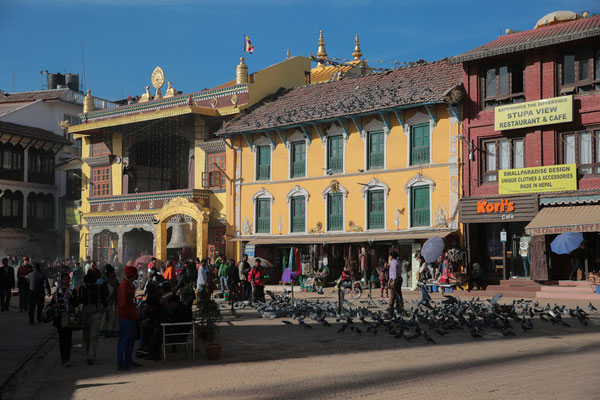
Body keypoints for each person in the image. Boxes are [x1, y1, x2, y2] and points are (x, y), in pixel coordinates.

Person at [80, 272, 108, 364]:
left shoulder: (99, 289)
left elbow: (104, 301)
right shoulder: (82, 289)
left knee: (93, 336)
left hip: (96, 315)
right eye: (87, 283)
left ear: (94, 282)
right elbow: (78, 301)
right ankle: (89, 353)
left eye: (91, 283)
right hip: (85, 315)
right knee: (86, 337)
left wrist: (107, 312)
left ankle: (91, 356)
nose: (89, 285)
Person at [51, 273, 79, 366]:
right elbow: (52, 302)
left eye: (67, 279)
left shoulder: (72, 290)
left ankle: (67, 359)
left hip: (69, 316)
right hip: (59, 316)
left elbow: (76, 304)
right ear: (61, 280)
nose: (66, 281)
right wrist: (55, 305)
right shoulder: (57, 290)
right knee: (61, 339)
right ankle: (63, 358)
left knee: (68, 338)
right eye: (64, 279)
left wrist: (71, 299)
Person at [117, 265, 141, 371]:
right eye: (136, 273)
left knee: (130, 340)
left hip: (130, 316)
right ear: (133, 274)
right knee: (124, 340)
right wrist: (132, 307)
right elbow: (122, 304)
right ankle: (121, 363)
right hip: (126, 317)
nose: (138, 275)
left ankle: (128, 360)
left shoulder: (129, 285)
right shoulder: (124, 286)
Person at [100, 264, 119, 337]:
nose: (114, 273)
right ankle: (103, 332)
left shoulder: (115, 280)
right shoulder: (103, 281)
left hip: (114, 303)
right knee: (105, 318)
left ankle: (111, 332)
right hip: (107, 303)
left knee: (113, 318)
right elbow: (101, 294)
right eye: (112, 272)